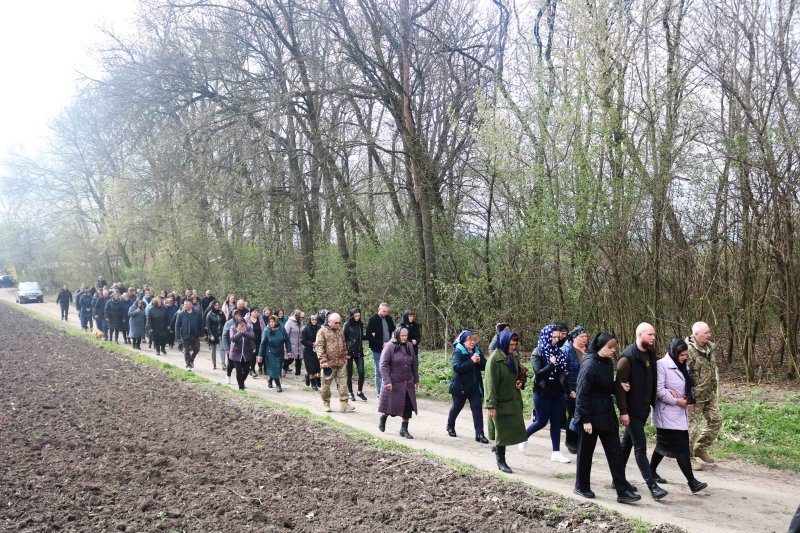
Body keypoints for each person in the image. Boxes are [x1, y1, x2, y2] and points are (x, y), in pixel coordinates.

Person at [573, 332, 641, 503]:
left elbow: (604, 385)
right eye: (610, 348)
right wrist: (585, 419)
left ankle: (622, 490)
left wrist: (618, 386)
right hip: (590, 416)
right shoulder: (589, 365)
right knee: (585, 453)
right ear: (599, 347)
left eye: (614, 348)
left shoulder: (607, 363)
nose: (613, 351)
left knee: (616, 452)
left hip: (606, 414)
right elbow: (582, 393)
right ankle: (581, 486)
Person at [616, 322, 668, 500]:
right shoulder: (626, 359)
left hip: (644, 408)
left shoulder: (650, 353)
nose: (654, 337)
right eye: (650, 334)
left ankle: (617, 479)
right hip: (632, 410)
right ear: (639, 335)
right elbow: (619, 388)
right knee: (640, 446)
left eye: (654, 334)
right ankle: (652, 486)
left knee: (626, 444)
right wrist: (623, 411)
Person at [650, 338, 708, 494]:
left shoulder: (683, 365)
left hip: (678, 412)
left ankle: (650, 471)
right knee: (682, 448)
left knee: (662, 446)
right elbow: (659, 390)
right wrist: (676, 401)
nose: (684, 358)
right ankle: (692, 482)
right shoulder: (662, 365)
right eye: (681, 355)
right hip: (666, 413)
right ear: (673, 353)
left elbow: (687, 384)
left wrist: (688, 400)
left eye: (686, 355)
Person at [519, 324, 572, 463]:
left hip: (557, 391)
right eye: (553, 337)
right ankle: (523, 437)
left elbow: (562, 371)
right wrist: (552, 365)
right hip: (542, 391)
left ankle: (556, 452)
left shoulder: (558, 352)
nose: (556, 339)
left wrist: (565, 377)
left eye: (558, 337)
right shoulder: (538, 352)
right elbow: (539, 373)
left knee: (556, 421)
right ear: (546, 336)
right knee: (542, 421)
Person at [484, 330, 526, 473]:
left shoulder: (513, 356)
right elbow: (490, 384)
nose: (513, 347)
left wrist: (521, 381)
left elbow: (519, 373)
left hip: (513, 399)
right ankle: (500, 460)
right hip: (500, 402)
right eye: (510, 345)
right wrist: (491, 405)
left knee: (510, 430)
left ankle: (497, 448)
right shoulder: (494, 360)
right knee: (501, 432)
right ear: (503, 343)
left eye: (515, 345)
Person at [687, 321, 722, 470]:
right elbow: (683, 374)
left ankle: (700, 448)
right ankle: (688, 457)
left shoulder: (710, 348)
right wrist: (687, 395)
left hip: (709, 393)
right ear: (696, 334)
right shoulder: (687, 350)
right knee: (692, 428)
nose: (709, 335)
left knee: (716, 419)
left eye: (709, 332)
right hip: (694, 395)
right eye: (706, 333)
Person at [446, 329, 488, 443]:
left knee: (477, 410)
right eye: (470, 340)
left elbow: (485, 366)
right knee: (456, 408)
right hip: (461, 387)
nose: (473, 342)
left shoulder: (477, 351)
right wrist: (471, 361)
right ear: (464, 341)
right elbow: (457, 368)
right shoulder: (458, 351)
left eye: (474, 340)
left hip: (475, 386)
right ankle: (450, 426)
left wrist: (479, 361)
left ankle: (479, 434)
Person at [378, 326, 418, 437]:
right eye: (402, 336)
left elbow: (414, 363)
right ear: (397, 335)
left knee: (407, 407)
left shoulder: (409, 346)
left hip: (408, 381)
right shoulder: (389, 346)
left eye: (406, 336)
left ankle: (404, 429)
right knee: (392, 406)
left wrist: (416, 380)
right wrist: (387, 381)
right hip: (394, 382)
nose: (404, 338)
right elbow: (383, 365)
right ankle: (384, 416)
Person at [315, 312, 354, 413]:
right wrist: (323, 361)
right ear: (329, 321)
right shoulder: (322, 331)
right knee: (325, 385)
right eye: (336, 323)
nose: (338, 325)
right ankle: (326, 403)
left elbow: (343, 344)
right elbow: (319, 347)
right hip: (328, 364)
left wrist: (345, 357)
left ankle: (344, 403)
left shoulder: (340, 331)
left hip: (341, 362)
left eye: (339, 323)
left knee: (343, 384)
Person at [563, 326, 588, 453]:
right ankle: (571, 442)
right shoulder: (566, 350)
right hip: (572, 390)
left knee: (584, 416)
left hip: (586, 390)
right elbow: (563, 373)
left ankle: (582, 441)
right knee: (573, 416)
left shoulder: (589, 350)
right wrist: (570, 390)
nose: (585, 339)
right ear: (574, 338)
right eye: (582, 336)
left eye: (586, 336)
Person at [366, 303, 395, 393]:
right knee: (379, 371)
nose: (385, 313)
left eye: (386, 311)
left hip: (389, 349)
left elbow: (394, 331)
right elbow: (369, 336)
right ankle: (379, 393)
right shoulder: (372, 320)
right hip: (377, 350)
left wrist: (391, 342)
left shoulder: (389, 319)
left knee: (389, 370)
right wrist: (381, 344)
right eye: (383, 311)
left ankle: (388, 391)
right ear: (379, 309)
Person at [259, 315, 291, 392]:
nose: (271, 323)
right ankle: (278, 384)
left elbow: (287, 340)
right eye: (270, 322)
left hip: (280, 352)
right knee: (274, 368)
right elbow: (262, 344)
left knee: (278, 368)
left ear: (276, 322)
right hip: (270, 352)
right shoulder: (266, 330)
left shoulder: (282, 329)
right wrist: (260, 355)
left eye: (273, 321)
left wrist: (289, 350)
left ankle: (270, 379)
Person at [343, 308, 368, 402]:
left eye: (359, 316)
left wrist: (370, 336)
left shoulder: (360, 324)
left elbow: (360, 337)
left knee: (361, 372)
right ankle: (350, 393)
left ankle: (359, 392)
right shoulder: (347, 324)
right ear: (352, 315)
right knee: (349, 374)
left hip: (359, 352)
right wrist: (345, 351)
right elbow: (343, 338)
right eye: (355, 316)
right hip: (349, 352)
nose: (357, 317)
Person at [229, 318, 256, 391]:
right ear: (237, 325)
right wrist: (240, 332)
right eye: (240, 325)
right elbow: (232, 338)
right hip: (236, 353)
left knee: (247, 370)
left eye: (243, 324)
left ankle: (241, 381)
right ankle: (241, 387)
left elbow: (253, 336)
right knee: (238, 371)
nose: (242, 326)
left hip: (247, 353)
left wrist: (244, 332)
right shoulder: (233, 328)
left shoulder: (248, 328)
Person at [175, 299, 202, 370]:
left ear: (191, 305)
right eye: (184, 304)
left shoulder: (197, 313)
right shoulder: (181, 314)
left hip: (195, 335)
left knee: (196, 349)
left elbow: (201, 323)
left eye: (186, 304)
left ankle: (191, 360)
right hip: (185, 335)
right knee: (187, 350)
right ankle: (188, 365)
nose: (185, 306)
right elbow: (177, 325)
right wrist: (177, 336)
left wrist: (201, 333)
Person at [301, 312, 322, 391]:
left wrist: (318, 343)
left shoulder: (319, 328)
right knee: (311, 368)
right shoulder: (305, 329)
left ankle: (317, 380)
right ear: (310, 320)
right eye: (313, 320)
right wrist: (312, 344)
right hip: (308, 351)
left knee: (318, 367)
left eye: (315, 320)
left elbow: (322, 337)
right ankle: (313, 382)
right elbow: (302, 341)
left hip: (318, 350)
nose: (314, 321)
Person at [283, 309, 304, 377]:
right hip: (291, 345)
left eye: (302, 317)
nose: (302, 319)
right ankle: (284, 368)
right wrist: (285, 345)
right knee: (290, 359)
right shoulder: (289, 322)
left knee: (299, 359)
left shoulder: (301, 322)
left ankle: (297, 374)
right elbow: (285, 334)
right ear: (297, 316)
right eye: (300, 317)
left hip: (299, 344)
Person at [206, 300, 226, 370]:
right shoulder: (209, 315)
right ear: (212, 306)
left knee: (222, 349)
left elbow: (224, 323)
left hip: (221, 333)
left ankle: (223, 364)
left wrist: (224, 332)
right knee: (213, 350)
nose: (217, 306)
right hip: (213, 334)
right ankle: (214, 364)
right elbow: (208, 326)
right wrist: (211, 335)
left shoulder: (221, 313)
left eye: (218, 305)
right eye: (215, 305)